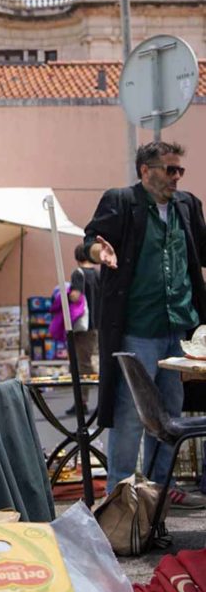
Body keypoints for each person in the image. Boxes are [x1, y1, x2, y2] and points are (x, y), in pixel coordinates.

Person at [84, 140, 206, 508]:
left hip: (179, 330)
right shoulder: (122, 201)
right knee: (130, 415)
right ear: (145, 170)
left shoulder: (187, 205)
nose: (176, 177)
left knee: (168, 415)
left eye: (179, 170)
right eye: (170, 170)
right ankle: (119, 496)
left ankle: (158, 490)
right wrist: (99, 252)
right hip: (137, 328)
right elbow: (88, 242)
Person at [65, 243, 101, 417]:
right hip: (96, 324)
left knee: (82, 364)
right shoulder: (98, 274)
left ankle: (83, 402)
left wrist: (65, 293)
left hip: (81, 326)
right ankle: (90, 400)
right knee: (86, 362)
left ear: (77, 257)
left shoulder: (78, 274)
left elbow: (75, 296)